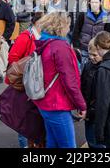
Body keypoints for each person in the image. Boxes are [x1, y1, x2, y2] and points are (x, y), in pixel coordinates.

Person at [33, 12, 87, 148]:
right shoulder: (61, 47)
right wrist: (81, 105)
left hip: (44, 100)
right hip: (57, 104)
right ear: (61, 26)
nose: (69, 28)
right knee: (68, 146)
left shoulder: (44, 42)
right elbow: (70, 81)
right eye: (68, 25)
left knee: (52, 142)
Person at [6, 12, 44, 148]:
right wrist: (26, 73)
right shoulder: (26, 36)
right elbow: (13, 59)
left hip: (37, 86)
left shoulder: (43, 37)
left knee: (35, 119)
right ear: (37, 23)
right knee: (24, 119)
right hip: (25, 85)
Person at [72, 0, 110, 69]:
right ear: (89, 3)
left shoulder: (105, 16)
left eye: (96, 2)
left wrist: (107, 47)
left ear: (100, 3)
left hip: (99, 48)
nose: (94, 4)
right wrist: (76, 47)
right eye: (92, 2)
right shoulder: (83, 14)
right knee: (82, 69)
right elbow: (76, 31)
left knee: (98, 69)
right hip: (84, 47)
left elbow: (108, 33)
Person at [81, 40, 104, 148]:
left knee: (97, 141)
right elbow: (82, 85)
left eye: (94, 55)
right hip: (88, 109)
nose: (91, 57)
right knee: (90, 138)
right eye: (89, 54)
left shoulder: (105, 69)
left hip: (98, 111)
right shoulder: (88, 65)